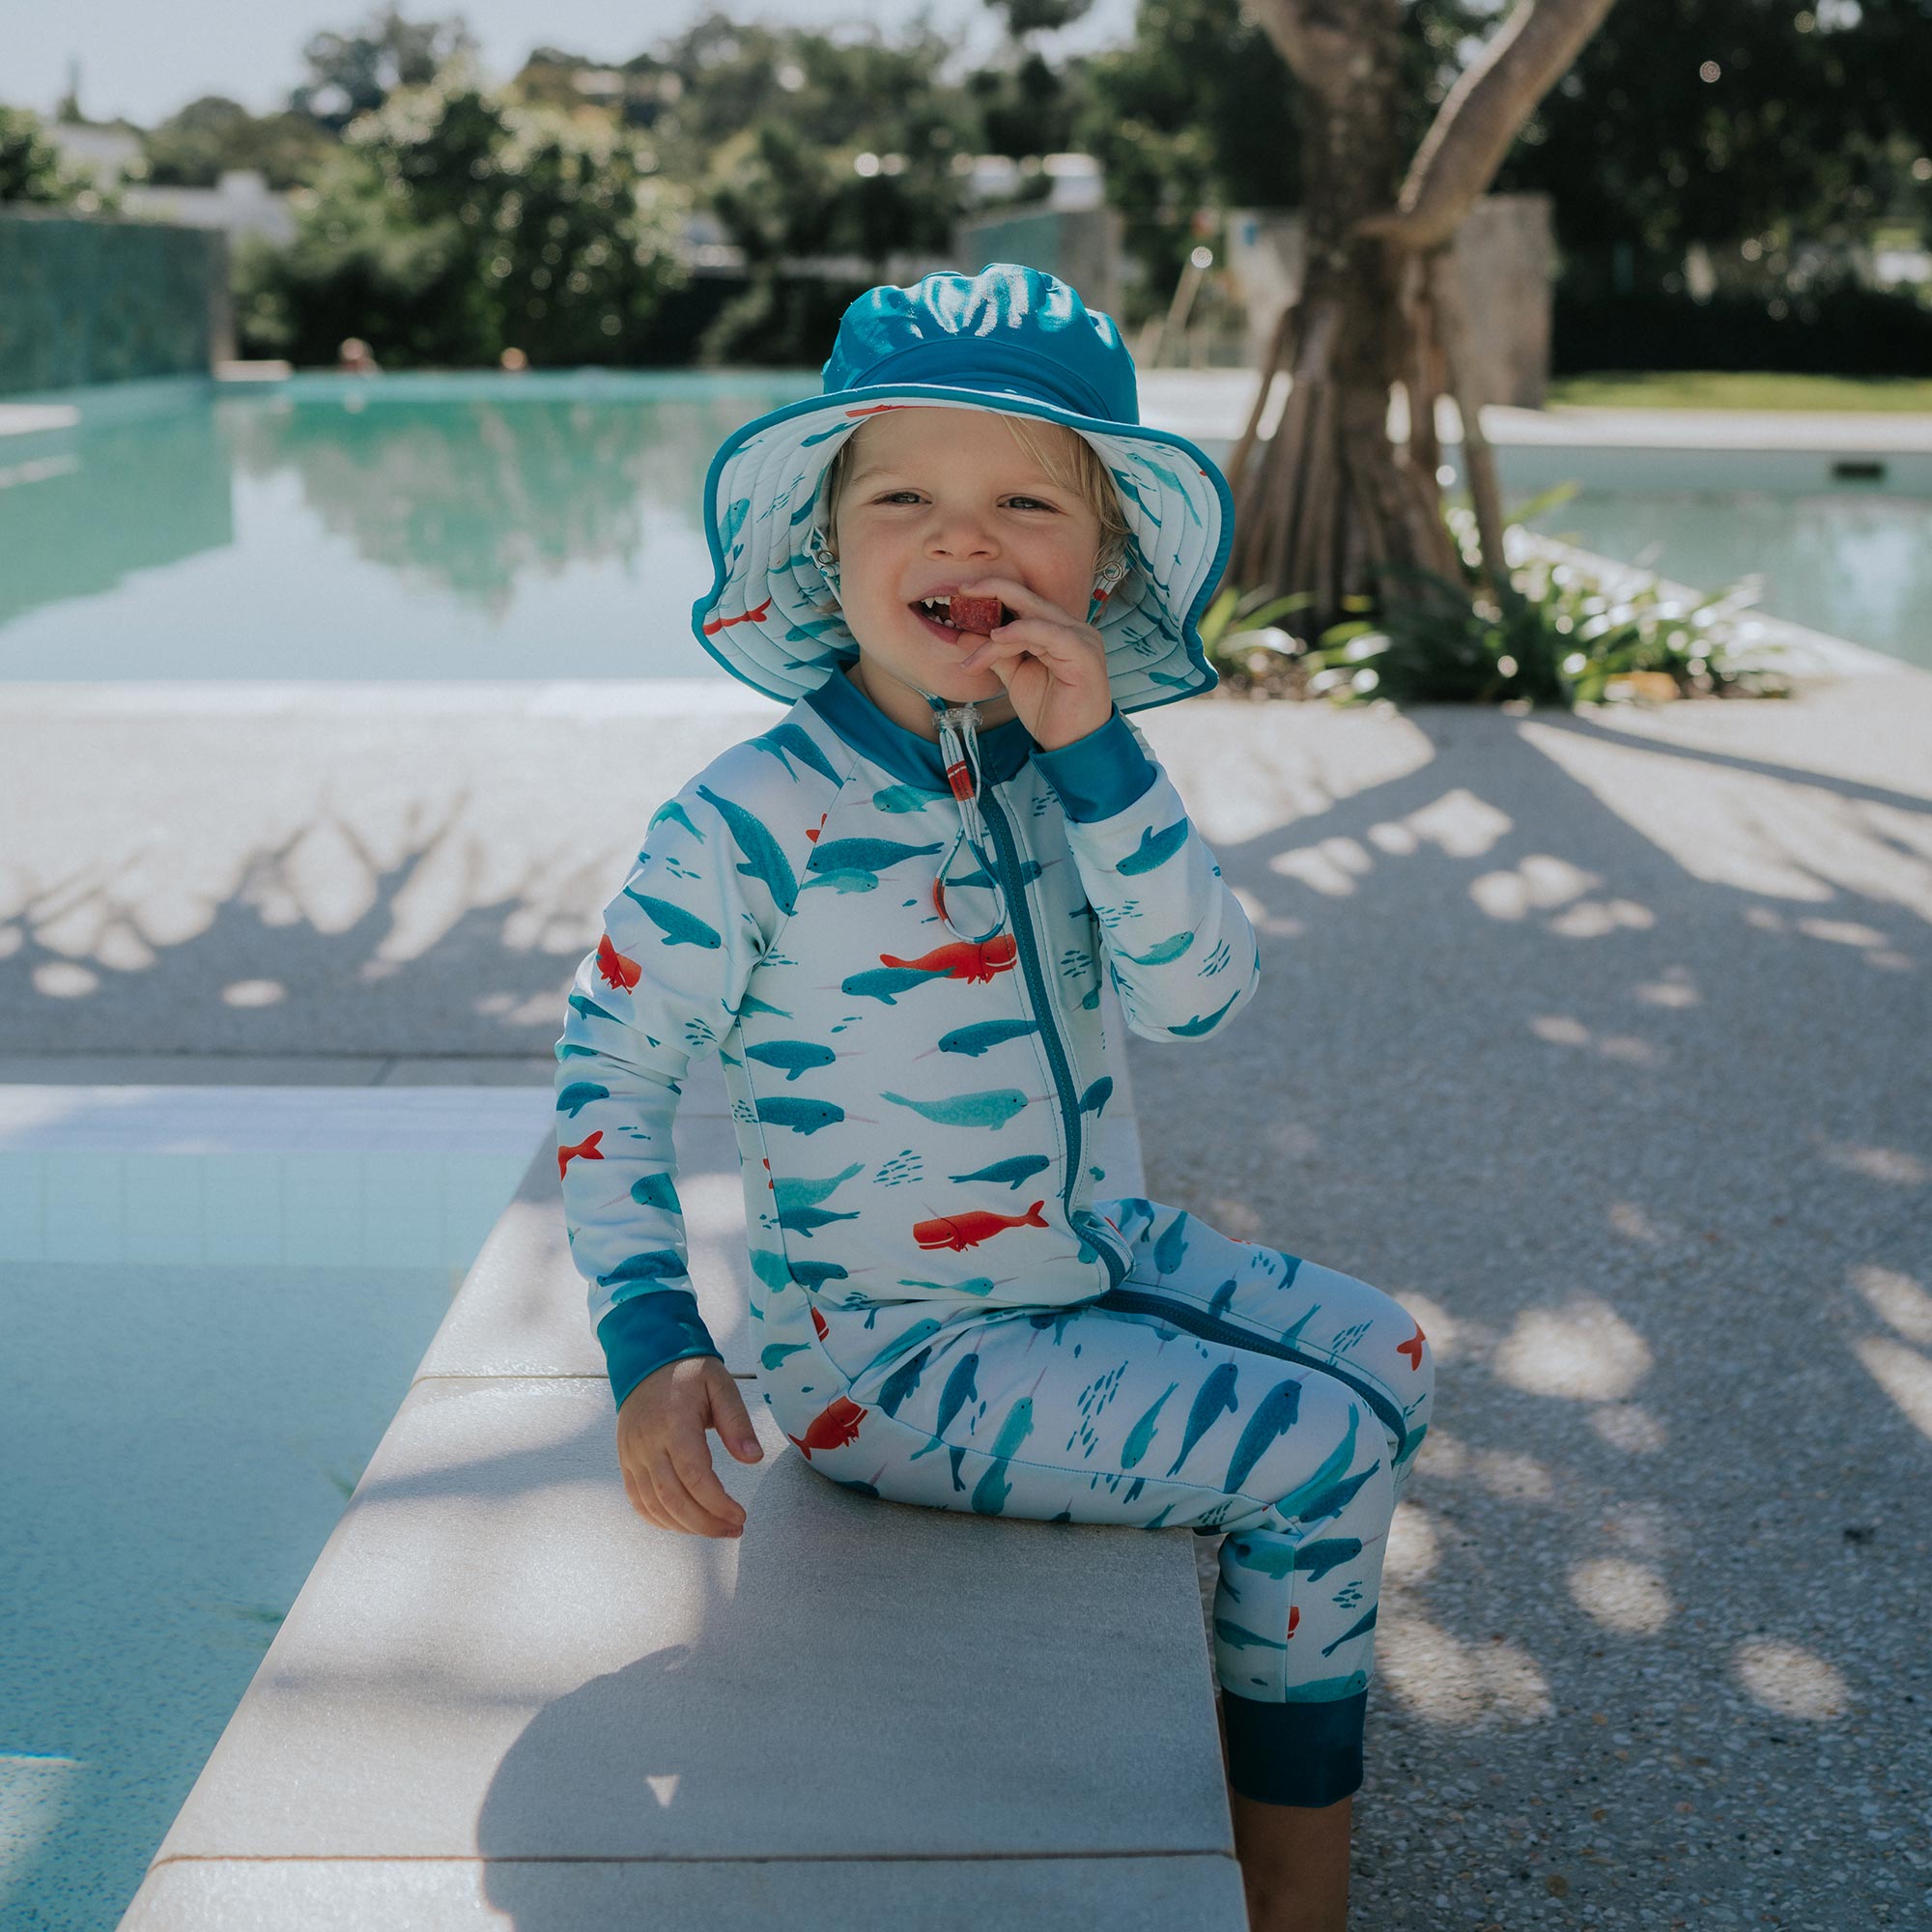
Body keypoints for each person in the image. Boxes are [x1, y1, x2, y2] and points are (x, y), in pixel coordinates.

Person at [553, 262, 1435, 1932]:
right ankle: (1291, 1891)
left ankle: (1268, 1750)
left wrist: (1107, 763)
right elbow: (614, 1067)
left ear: (1101, 560)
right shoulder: (745, 821)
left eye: (1028, 499)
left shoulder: (1078, 766)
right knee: (1318, 1454)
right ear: (827, 545)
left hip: (1097, 1249)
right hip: (885, 1352)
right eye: (906, 499)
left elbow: (1202, 997)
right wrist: (651, 1337)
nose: (964, 543)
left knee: (1392, 1354)